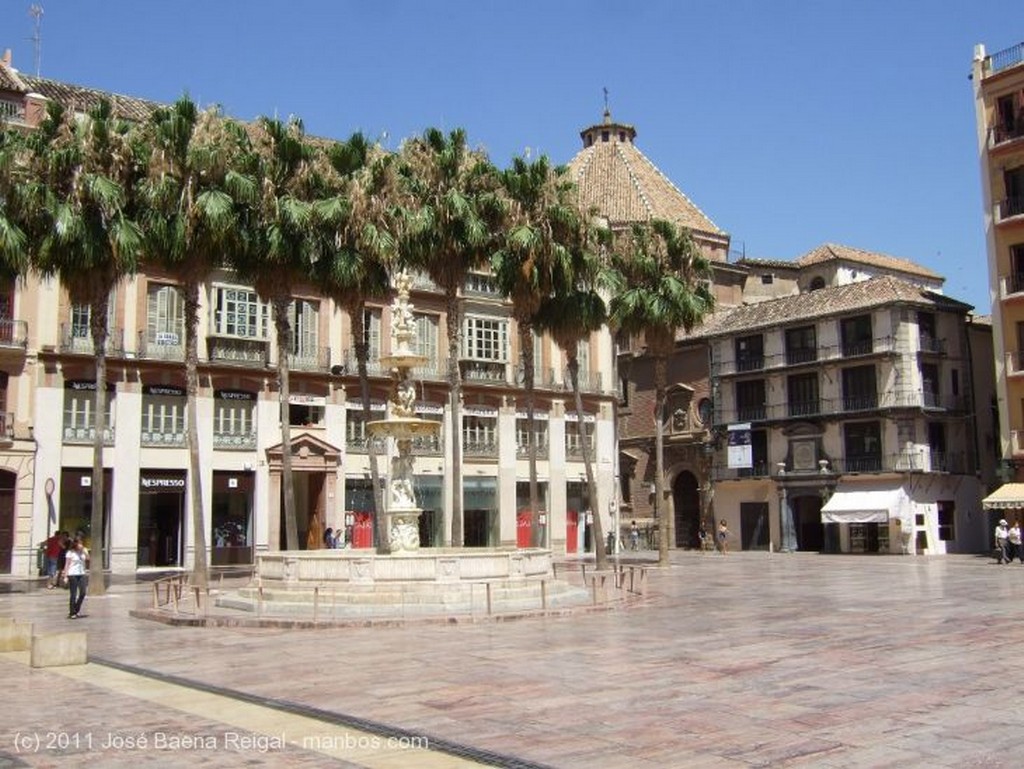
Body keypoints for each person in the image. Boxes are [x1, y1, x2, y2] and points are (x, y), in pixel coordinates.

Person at [61, 537, 89, 619]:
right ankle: (72, 612)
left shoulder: (84, 550)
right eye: (79, 543)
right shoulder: (70, 552)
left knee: (83, 592)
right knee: (73, 594)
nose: (81, 545)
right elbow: (67, 564)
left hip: (82, 573)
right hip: (72, 574)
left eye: (81, 543)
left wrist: (84, 552)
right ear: (75, 544)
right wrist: (65, 576)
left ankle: (77, 608)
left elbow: (88, 559)